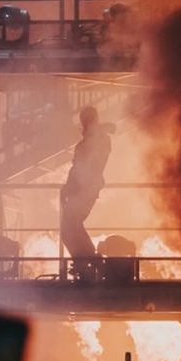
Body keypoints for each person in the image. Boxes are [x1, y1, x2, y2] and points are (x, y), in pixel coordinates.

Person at [60, 105, 115, 278]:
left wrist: (69, 187)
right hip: (81, 189)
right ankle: (85, 261)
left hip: (85, 189)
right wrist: (68, 188)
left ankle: (90, 261)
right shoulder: (95, 140)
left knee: (70, 226)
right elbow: (77, 167)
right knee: (70, 227)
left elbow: (85, 165)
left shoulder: (98, 140)